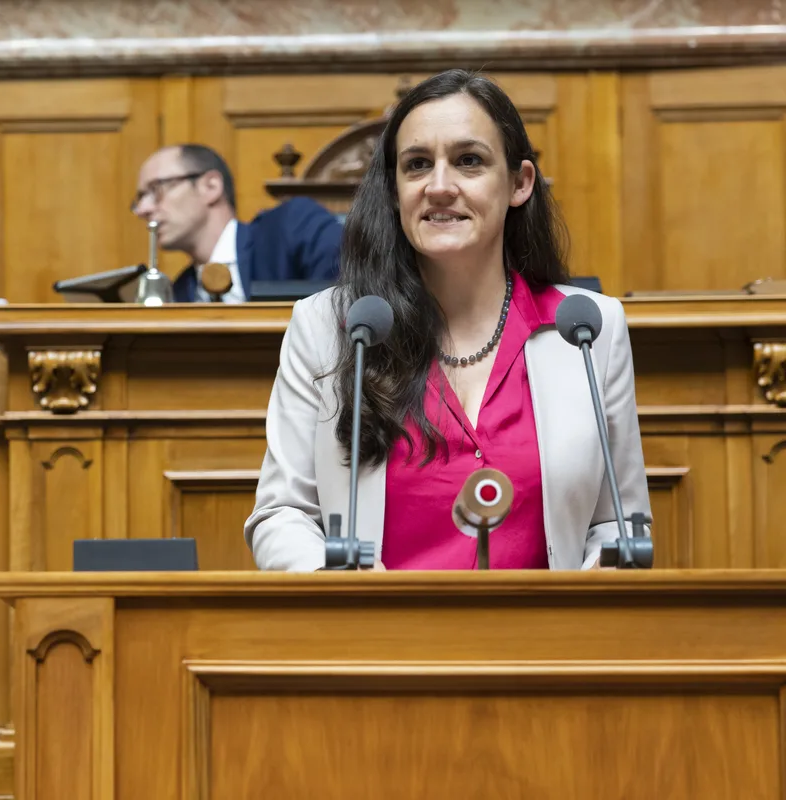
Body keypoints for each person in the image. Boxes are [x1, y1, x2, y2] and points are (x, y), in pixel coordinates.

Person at [244, 69, 651, 572]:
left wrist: (570, 620)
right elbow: (283, 513)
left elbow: (619, 524)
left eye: (469, 162)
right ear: (394, 192)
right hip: (381, 638)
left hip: (544, 643)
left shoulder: (590, 330)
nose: (439, 186)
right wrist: (357, 607)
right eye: (417, 165)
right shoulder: (330, 327)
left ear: (519, 183)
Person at [131, 144, 343, 302]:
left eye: (156, 189)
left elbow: (347, 297)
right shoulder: (181, 292)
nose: (143, 210)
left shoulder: (293, 226)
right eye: (139, 199)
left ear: (211, 186)